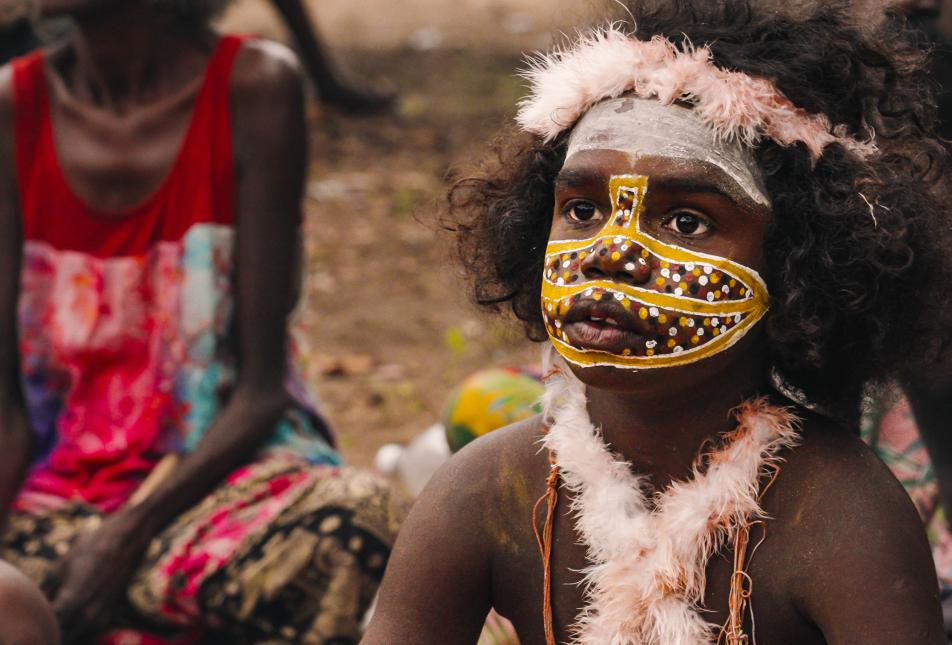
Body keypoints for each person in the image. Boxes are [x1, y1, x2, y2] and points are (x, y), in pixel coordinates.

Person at [364, 1, 951, 643]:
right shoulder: (486, 491)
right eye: (583, 209)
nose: (610, 254)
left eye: (686, 222)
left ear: (797, 268)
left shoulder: (841, 515)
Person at [0, 1, 403, 643]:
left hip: (218, 484)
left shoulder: (254, 89)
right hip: (56, 500)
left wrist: (122, 539)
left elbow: (260, 390)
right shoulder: (14, 103)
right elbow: (8, 407)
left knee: (357, 519)